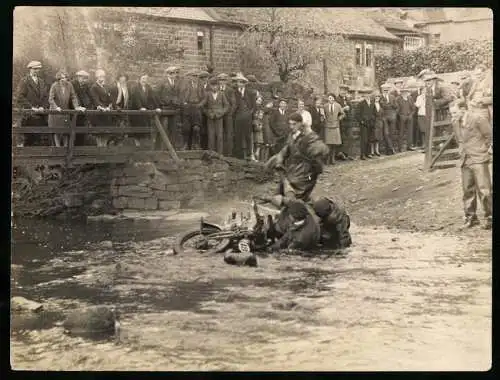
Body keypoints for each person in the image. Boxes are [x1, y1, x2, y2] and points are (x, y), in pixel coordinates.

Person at [265, 112, 329, 206]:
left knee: (293, 200)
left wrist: (315, 167)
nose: (291, 126)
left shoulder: (308, 137)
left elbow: (323, 150)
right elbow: (285, 150)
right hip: (292, 171)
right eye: (290, 124)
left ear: (300, 123)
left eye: (294, 124)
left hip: (305, 174)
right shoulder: (291, 136)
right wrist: (278, 160)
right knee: (280, 194)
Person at [450, 101, 492, 230]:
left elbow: (489, 136)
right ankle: (471, 218)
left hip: (479, 158)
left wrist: (483, 151)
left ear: (463, 109)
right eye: (451, 113)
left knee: (484, 190)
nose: (452, 115)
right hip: (465, 159)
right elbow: (459, 141)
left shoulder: (478, 119)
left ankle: (490, 218)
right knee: (467, 190)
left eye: (455, 112)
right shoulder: (455, 123)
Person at [15, 60, 49, 147]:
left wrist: (42, 107)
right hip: (29, 114)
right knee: (29, 137)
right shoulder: (24, 81)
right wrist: (31, 107)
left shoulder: (41, 81)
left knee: (38, 137)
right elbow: (20, 97)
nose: (37, 71)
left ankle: (35, 158)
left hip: (40, 114)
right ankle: (26, 158)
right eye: (35, 69)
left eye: (38, 69)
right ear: (30, 69)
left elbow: (45, 96)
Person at [48, 69, 83, 147]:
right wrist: (56, 107)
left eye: (65, 78)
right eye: (62, 78)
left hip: (65, 112)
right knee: (56, 132)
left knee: (66, 132)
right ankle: (58, 150)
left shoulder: (69, 85)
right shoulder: (54, 85)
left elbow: (73, 97)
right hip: (55, 113)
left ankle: (65, 150)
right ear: (58, 79)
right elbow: (50, 99)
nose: (64, 80)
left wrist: (76, 107)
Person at [199, 77, 229, 155]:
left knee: (219, 136)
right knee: (211, 136)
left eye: (216, 85)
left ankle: (220, 154)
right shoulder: (207, 94)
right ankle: (211, 154)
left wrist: (221, 113)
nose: (214, 87)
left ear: (218, 86)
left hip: (219, 118)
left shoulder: (222, 94)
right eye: (212, 85)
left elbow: (226, 106)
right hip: (210, 118)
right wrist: (208, 113)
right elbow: (203, 105)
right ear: (210, 86)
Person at [129, 74, 161, 147]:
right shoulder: (135, 88)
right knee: (137, 129)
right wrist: (140, 107)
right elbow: (136, 99)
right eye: (143, 78)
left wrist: (156, 107)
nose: (144, 80)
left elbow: (152, 98)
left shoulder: (148, 87)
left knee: (145, 129)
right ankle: (137, 145)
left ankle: (143, 147)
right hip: (136, 111)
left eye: (146, 79)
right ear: (139, 79)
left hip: (145, 111)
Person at [157, 66, 183, 150]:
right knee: (163, 128)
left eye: (175, 73)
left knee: (173, 129)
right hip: (165, 108)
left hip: (174, 109)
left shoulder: (176, 83)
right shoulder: (162, 83)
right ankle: (161, 149)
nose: (174, 75)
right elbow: (156, 94)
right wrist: (161, 104)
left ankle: (172, 149)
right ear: (168, 74)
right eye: (172, 73)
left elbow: (179, 95)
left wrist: (177, 102)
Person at [233, 72, 257, 160]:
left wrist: (250, 114)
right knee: (238, 135)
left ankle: (249, 154)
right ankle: (239, 155)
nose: (240, 84)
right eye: (239, 82)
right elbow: (234, 105)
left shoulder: (250, 93)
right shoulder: (235, 92)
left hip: (247, 116)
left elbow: (254, 106)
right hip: (238, 116)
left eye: (242, 82)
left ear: (245, 83)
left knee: (248, 136)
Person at [90, 69, 113, 147]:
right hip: (98, 113)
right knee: (99, 133)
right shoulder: (94, 87)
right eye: (100, 76)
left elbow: (110, 99)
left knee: (106, 133)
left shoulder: (106, 87)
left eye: (103, 76)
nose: (102, 77)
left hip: (106, 113)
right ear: (97, 76)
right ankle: (99, 150)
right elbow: (95, 100)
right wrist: (103, 108)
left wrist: (109, 106)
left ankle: (104, 150)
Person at [181, 70, 204, 150]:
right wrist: (184, 103)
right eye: (193, 76)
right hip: (188, 106)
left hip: (197, 107)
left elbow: (204, 97)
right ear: (190, 77)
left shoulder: (201, 85)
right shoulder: (186, 85)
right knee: (186, 127)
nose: (195, 77)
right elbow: (181, 94)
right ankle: (185, 144)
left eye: (196, 76)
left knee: (196, 128)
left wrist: (200, 104)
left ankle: (196, 144)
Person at [71, 70, 93, 146]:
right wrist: (77, 106)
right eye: (83, 78)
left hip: (82, 111)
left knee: (81, 130)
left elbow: (91, 96)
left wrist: (97, 105)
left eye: (86, 79)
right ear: (78, 77)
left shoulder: (85, 85)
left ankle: (80, 148)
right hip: (72, 110)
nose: (85, 80)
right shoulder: (72, 84)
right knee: (72, 131)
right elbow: (73, 97)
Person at [323, 93, 345, 165]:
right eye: (329, 98)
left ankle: (332, 159)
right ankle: (327, 159)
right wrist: (323, 119)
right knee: (328, 144)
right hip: (328, 126)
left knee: (334, 144)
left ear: (334, 99)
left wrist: (339, 118)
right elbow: (322, 115)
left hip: (335, 126)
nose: (331, 99)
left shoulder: (338, 105)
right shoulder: (325, 106)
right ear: (327, 99)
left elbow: (343, 113)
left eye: (332, 98)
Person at [109, 73, 131, 145]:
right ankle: (113, 144)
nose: (123, 79)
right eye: (121, 78)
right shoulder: (114, 87)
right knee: (116, 128)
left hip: (125, 111)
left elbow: (128, 99)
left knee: (123, 129)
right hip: (116, 111)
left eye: (124, 78)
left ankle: (120, 144)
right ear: (118, 79)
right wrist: (116, 107)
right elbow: (112, 100)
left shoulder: (127, 88)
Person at [218, 73, 236, 156]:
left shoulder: (230, 90)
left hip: (228, 115)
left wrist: (230, 114)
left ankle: (229, 153)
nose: (222, 82)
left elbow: (233, 104)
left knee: (229, 134)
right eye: (221, 80)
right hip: (218, 115)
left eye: (224, 80)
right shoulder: (215, 89)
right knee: (219, 134)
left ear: (226, 81)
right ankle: (219, 153)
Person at [336, 84, 354, 160]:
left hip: (348, 122)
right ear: (339, 90)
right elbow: (335, 111)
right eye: (342, 90)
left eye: (345, 90)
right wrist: (343, 108)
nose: (344, 92)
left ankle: (347, 154)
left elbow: (351, 109)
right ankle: (341, 154)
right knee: (341, 138)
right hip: (340, 122)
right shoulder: (336, 99)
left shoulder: (347, 99)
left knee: (350, 137)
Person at [357, 88, 376, 160]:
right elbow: (357, 114)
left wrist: (373, 119)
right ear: (364, 95)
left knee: (369, 139)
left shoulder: (372, 103)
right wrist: (361, 121)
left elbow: (374, 113)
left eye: (369, 94)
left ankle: (368, 153)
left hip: (371, 123)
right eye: (366, 94)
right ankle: (362, 155)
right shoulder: (361, 104)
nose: (368, 96)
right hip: (364, 124)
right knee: (364, 139)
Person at [380, 83, 398, 154]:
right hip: (384, 117)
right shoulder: (380, 97)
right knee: (386, 133)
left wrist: (395, 114)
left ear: (389, 90)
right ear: (382, 90)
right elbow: (381, 106)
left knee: (392, 133)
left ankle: (389, 151)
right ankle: (391, 148)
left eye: (387, 90)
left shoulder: (392, 97)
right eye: (384, 90)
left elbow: (396, 106)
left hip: (392, 117)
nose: (386, 91)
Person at [197, 70, 210, 150]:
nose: (204, 80)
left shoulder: (210, 87)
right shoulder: (198, 87)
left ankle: (207, 146)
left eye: (205, 78)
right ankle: (201, 146)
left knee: (208, 129)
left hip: (208, 111)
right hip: (200, 111)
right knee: (201, 129)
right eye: (202, 78)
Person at [371, 91, 384, 157]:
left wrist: (381, 120)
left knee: (378, 137)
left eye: (378, 96)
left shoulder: (381, 104)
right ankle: (372, 151)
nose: (377, 98)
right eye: (376, 96)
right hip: (374, 122)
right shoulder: (372, 105)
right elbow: (371, 114)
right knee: (373, 137)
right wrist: (373, 120)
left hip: (379, 122)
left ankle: (377, 150)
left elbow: (382, 113)